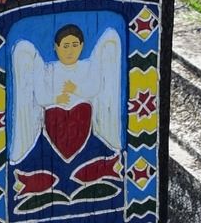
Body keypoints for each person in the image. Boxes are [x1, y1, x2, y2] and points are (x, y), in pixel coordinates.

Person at [10, 24, 123, 211]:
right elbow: (41, 96)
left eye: (74, 45)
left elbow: (95, 87)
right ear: (56, 48)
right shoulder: (48, 70)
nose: (70, 51)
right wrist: (56, 99)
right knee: (46, 163)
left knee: (91, 161)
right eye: (65, 46)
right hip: (54, 127)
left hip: (84, 126)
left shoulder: (87, 67)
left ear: (82, 46)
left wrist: (76, 89)